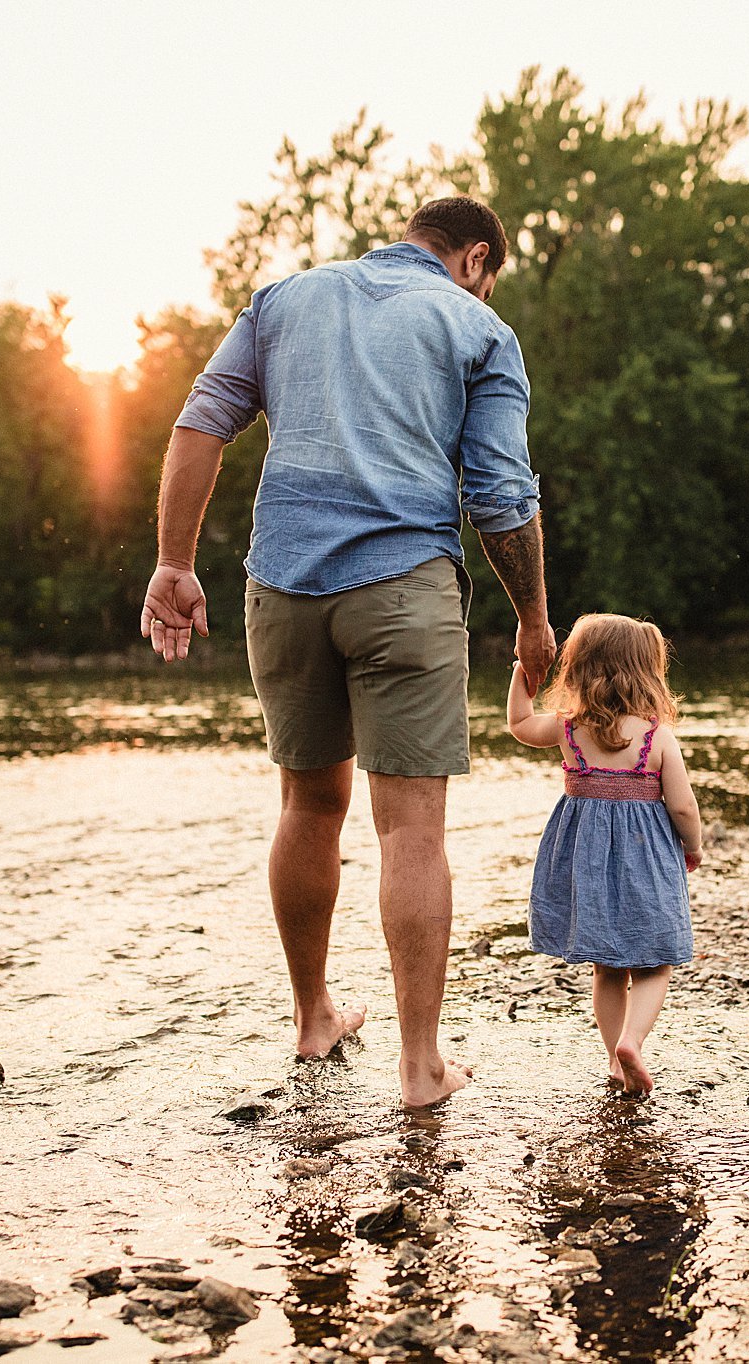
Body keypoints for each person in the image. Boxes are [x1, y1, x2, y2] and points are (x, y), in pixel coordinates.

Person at [140, 195, 556, 1109]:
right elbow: (498, 491)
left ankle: (313, 1017)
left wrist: (174, 562)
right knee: (410, 827)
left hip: (281, 588)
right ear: (476, 257)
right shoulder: (478, 326)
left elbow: (198, 423)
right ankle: (419, 1068)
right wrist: (532, 617)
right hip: (404, 586)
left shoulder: (283, 299)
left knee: (308, 802)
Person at [505, 614, 703, 1094]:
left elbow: (518, 724)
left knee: (607, 967)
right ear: (646, 672)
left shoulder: (568, 729)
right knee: (656, 963)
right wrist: (693, 846)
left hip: (587, 863)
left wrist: (523, 672)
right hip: (647, 859)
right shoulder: (656, 736)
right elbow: (681, 804)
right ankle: (632, 1042)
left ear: (579, 668)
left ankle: (614, 1057)